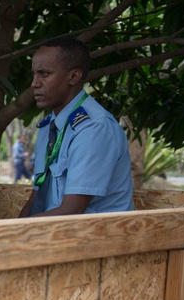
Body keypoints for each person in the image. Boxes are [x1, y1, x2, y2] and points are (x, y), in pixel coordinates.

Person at [18, 37, 134, 217]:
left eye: (44, 74)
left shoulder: (93, 129)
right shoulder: (49, 126)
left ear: (73, 77)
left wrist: (12, 232)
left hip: (93, 239)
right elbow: (35, 200)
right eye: (33, 74)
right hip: (54, 233)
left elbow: (72, 211)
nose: (34, 83)